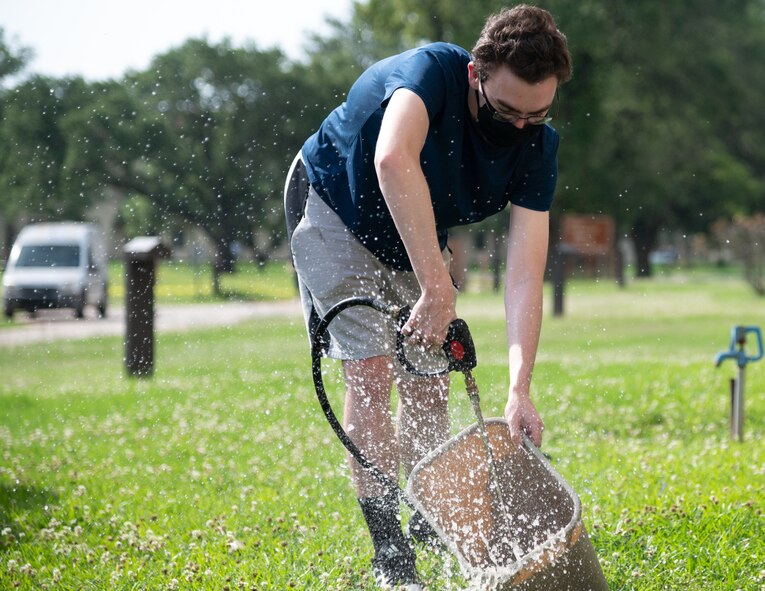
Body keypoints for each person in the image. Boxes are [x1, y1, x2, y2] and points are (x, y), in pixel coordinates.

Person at [285, 5, 572, 589]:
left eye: (536, 114)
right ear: (476, 76)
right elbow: (392, 159)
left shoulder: (537, 147)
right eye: (507, 110)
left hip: (411, 230)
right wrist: (438, 286)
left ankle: (427, 512)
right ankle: (390, 554)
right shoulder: (429, 75)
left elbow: (522, 275)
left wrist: (519, 389)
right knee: (370, 371)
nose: (520, 127)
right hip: (334, 207)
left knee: (429, 379)